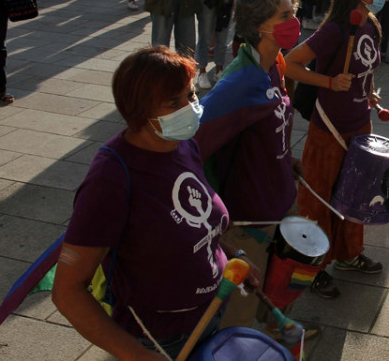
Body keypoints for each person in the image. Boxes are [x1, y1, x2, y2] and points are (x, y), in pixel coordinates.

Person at [53, 47, 258, 359]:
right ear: (139, 111)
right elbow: (67, 293)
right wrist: (138, 356)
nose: (190, 107)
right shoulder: (111, 177)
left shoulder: (183, 143)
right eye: (173, 102)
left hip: (210, 313)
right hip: (160, 339)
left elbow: (198, 222)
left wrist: (234, 256)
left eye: (190, 94)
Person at [194, 0, 317, 337]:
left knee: (280, 282)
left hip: (278, 200)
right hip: (250, 218)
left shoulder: (274, 62)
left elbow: (268, 123)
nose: (295, 20)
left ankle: (275, 334)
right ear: (261, 24)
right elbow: (192, 141)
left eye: (293, 12)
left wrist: (284, 159)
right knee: (242, 306)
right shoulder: (240, 80)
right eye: (286, 14)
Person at [285, 0, 385, 297]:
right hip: (328, 129)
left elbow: (365, 69)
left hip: (360, 126)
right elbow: (291, 64)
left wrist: (368, 92)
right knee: (318, 200)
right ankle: (309, 267)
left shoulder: (370, 23)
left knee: (354, 197)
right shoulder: (334, 30)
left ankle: (347, 255)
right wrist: (328, 81)